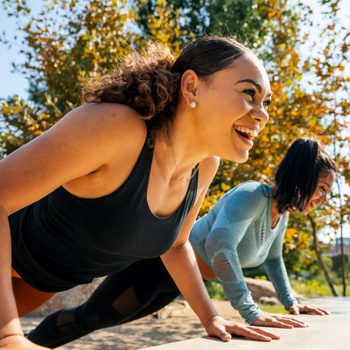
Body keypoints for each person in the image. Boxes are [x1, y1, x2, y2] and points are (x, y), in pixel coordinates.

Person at [0, 36, 276, 350]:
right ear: (192, 88)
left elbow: (176, 245)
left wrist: (211, 318)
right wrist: (9, 337)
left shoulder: (204, 167)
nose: (262, 114)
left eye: (265, 102)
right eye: (248, 93)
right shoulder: (116, 127)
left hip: (39, 282)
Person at [27, 137, 335, 348]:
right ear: (303, 178)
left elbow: (274, 260)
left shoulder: (280, 216)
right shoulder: (254, 195)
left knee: (98, 321)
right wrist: (250, 311)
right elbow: (219, 245)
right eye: (320, 188)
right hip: (157, 265)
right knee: (90, 318)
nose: (322, 199)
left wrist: (292, 303)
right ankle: (21, 342)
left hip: (181, 281)